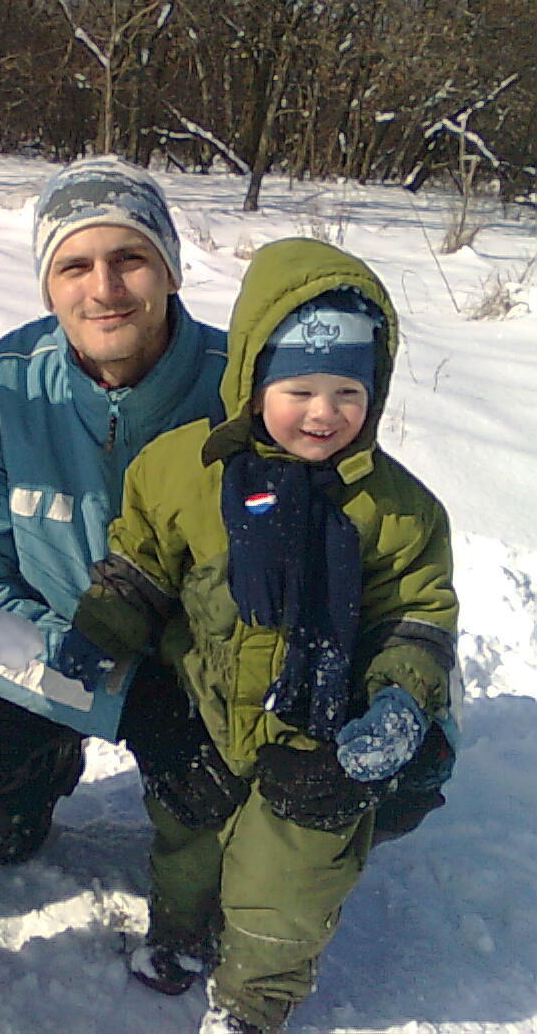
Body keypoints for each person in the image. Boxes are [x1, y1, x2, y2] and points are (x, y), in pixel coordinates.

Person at [69, 237, 460, 1034]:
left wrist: (398, 704)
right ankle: (181, 935)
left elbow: (417, 620)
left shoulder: (400, 512)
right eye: (299, 388)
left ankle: (254, 1000)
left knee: (289, 884)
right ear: (252, 380)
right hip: (206, 715)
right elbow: (141, 567)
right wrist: (102, 630)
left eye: (348, 391)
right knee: (189, 838)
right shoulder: (182, 472)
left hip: (321, 739)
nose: (323, 413)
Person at [0, 156, 229, 863]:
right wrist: (122, 697)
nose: (104, 289)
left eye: (129, 259)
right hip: (51, 655)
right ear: (48, 289)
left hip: (206, 671)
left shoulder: (247, 391)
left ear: (171, 270)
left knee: (273, 816)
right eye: (74, 267)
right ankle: (43, 768)